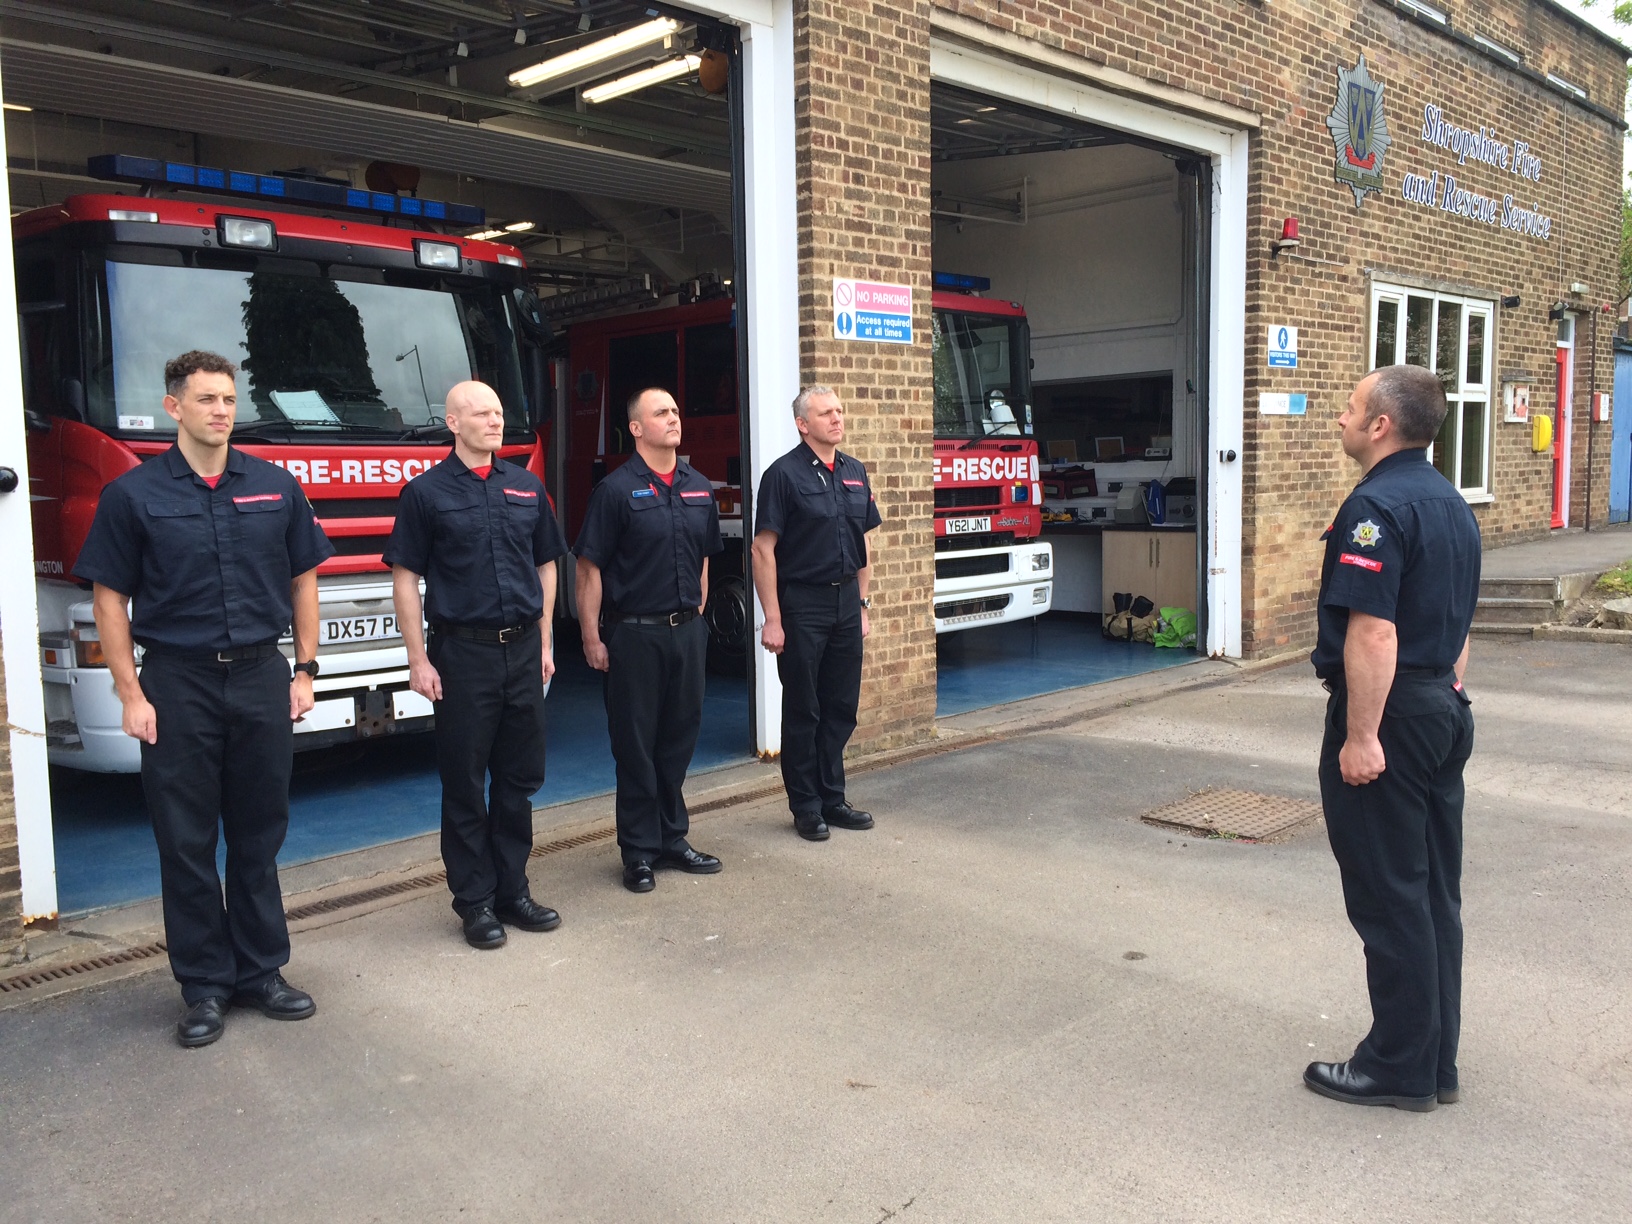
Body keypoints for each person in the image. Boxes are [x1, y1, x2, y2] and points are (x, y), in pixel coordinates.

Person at [75, 351, 334, 1048]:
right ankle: (204, 986)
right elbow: (109, 598)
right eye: (207, 399)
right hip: (177, 681)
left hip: (258, 676)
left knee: (258, 832)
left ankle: (260, 972)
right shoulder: (134, 495)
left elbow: (305, 577)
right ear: (174, 408)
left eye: (228, 399)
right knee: (186, 841)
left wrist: (305, 671)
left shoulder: (275, 486)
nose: (221, 410)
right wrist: (130, 692)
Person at [1304, 364, 1481, 1112]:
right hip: (1441, 701)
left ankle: (1398, 1066)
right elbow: (1457, 617)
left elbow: (1374, 631)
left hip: (1394, 717)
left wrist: (1361, 736)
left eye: (1349, 409)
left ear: (1381, 425)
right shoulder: (1451, 502)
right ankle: (1435, 1059)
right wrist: (1446, 690)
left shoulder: (1374, 508)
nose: (1340, 420)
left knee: (1389, 894)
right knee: (1435, 890)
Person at [385, 381, 567, 950]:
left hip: (522, 652)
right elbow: (405, 579)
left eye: (498, 411)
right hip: (462, 654)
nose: (494, 421)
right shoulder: (426, 494)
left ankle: (513, 890)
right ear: (453, 422)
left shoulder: (526, 486)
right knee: (464, 782)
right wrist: (418, 658)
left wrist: (544, 641)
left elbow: (547, 565)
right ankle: (475, 902)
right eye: (482, 413)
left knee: (519, 779)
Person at [573, 388, 724, 892]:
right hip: (634, 636)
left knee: (678, 740)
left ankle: (672, 839)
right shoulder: (615, 491)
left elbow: (705, 555)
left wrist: (697, 614)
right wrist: (591, 636)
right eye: (661, 413)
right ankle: (638, 851)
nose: (673, 419)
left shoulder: (698, 485)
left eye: (676, 411)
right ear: (636, 428)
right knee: (635, 747)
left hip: (686, 635)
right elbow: (589, 568)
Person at [751, 386, 882, 841]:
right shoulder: (782, 476)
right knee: (804, 708)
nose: (837, 419)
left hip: (846, 602)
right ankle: (805, 806)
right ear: (803, 424)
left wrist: (863, 604)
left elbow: (864, 541)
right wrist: (773, 617)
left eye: (839, 411)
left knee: (841, 706)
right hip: (802, 604)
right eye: (826, 413)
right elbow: (762, 550)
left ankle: (833, 797)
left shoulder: (854, 471)